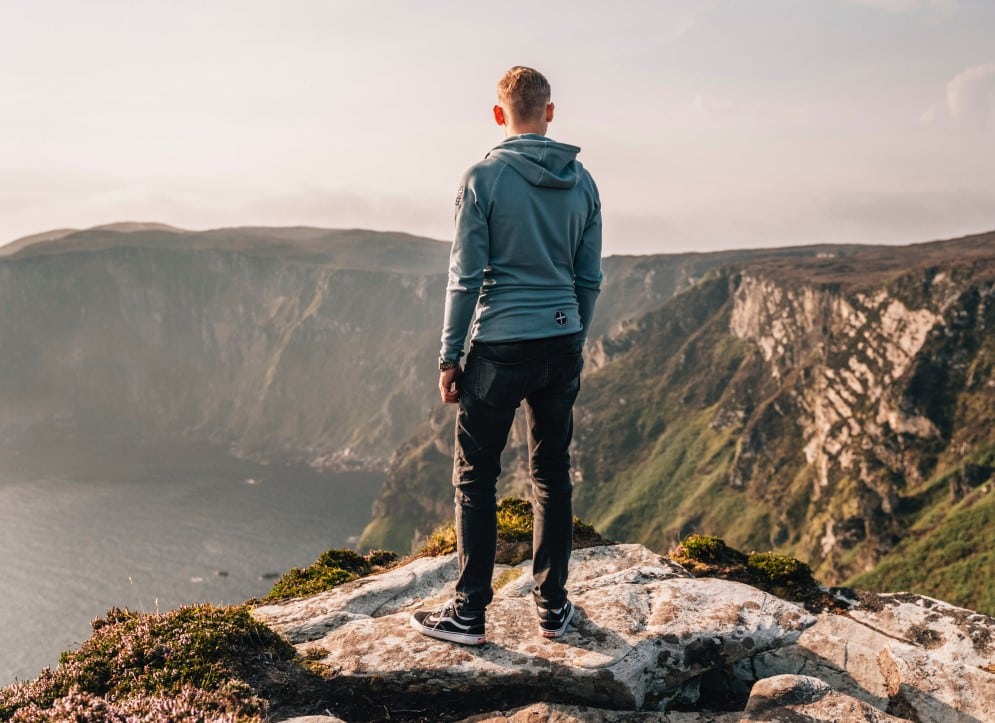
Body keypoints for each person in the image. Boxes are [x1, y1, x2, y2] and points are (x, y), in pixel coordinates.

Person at [410, 66, 602, 645]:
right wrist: (573, 337)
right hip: (561, 338)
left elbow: (464, 278)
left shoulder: (483, 178)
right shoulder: (584, 182)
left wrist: (450, 357)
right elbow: (588, 277)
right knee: (552, 476)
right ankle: (554, 607)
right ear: (550, 111)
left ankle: (469, 613)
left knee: (476, 479)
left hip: (499, 345)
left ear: (499, 115)